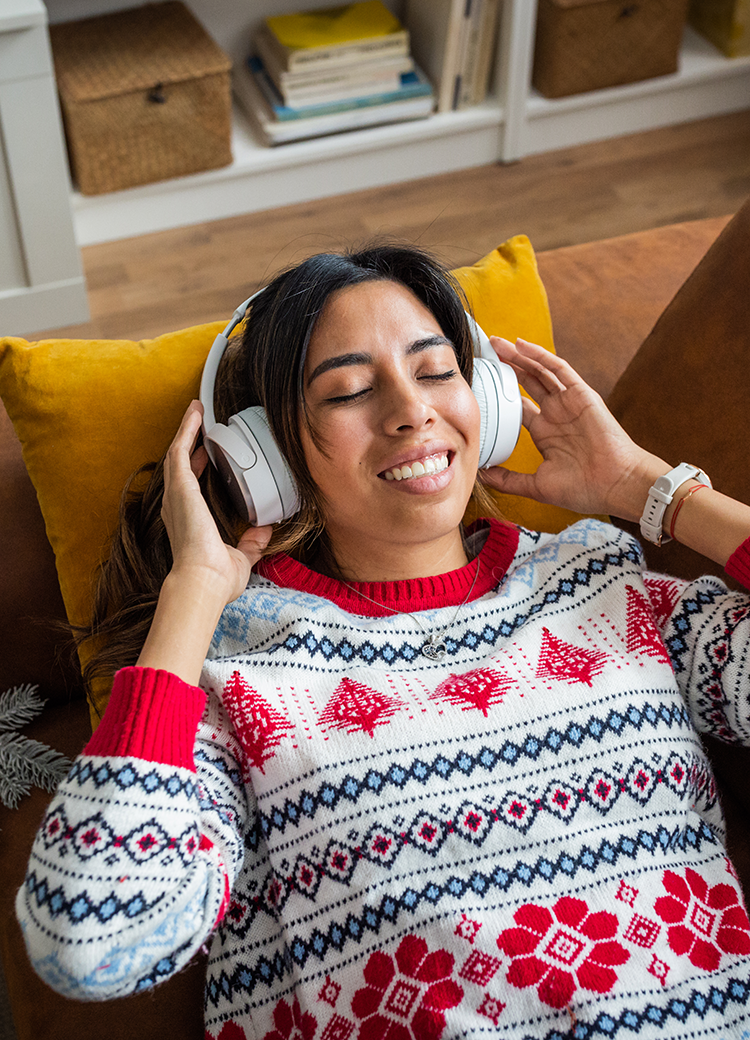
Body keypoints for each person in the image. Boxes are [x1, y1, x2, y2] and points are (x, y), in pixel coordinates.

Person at [16, 244, 750, 1039]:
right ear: (270, 456)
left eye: (436, 371)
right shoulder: (237, 675)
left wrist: (652, 490)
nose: (411, 411)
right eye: (351, 390)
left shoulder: (607, 583)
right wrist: (190, 596)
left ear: (488, 403)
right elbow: (89, 943)